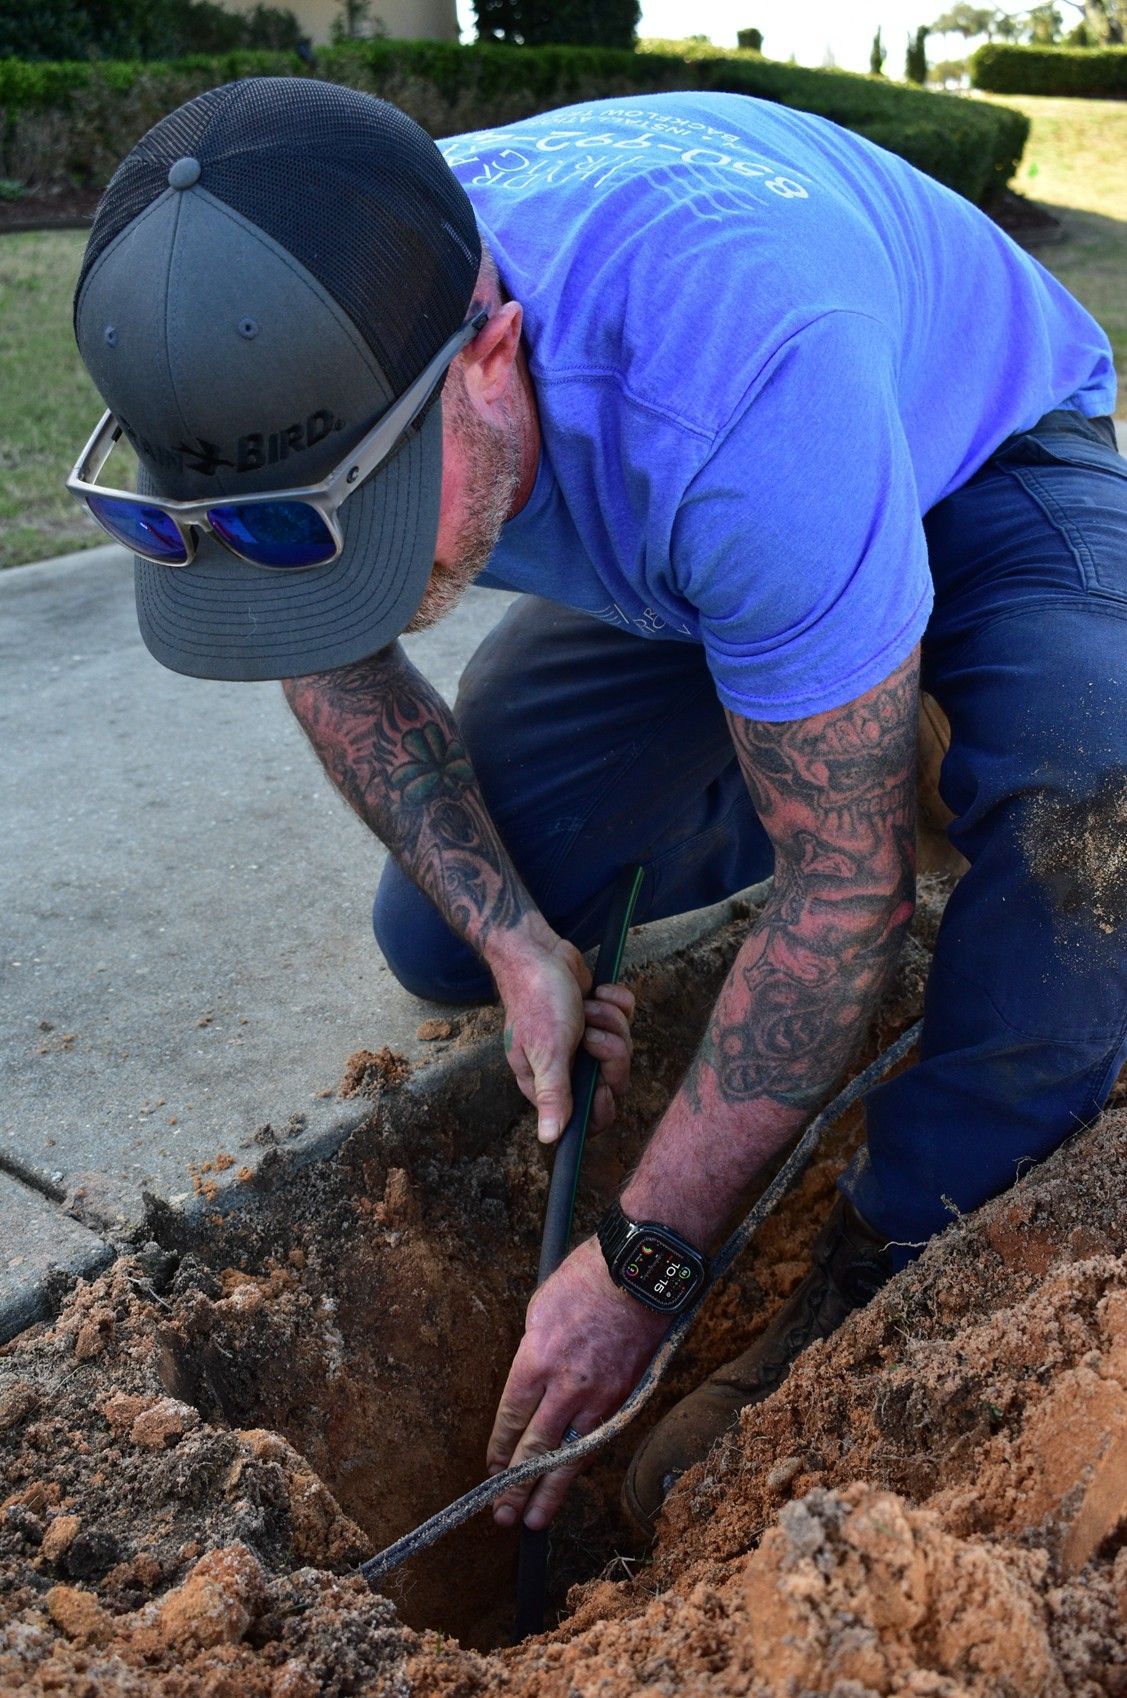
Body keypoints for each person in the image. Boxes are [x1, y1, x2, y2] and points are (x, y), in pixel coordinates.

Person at [70, 76, 1126, 1542]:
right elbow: (311, 634)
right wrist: (516, 945)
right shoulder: (307, 271)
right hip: (719, 560)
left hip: (979, 455)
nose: (327, 591)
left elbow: (844, 902)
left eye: (358, 537)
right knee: (436, 938)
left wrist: (647, 1261)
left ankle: (882, 1261)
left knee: (1088, 821)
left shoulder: (740, 383)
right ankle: (832, 702)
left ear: (491, 357)